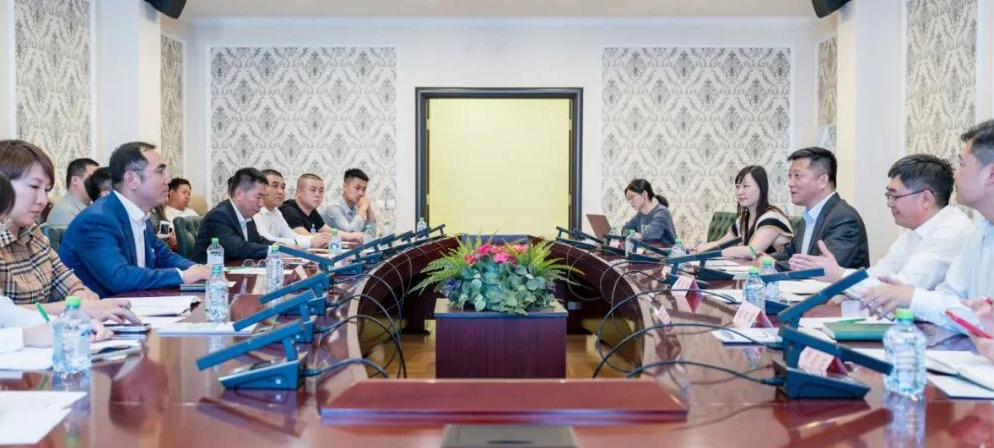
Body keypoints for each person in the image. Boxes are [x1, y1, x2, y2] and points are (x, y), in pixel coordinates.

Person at [857, 120, 994, 331]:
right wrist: (910, 297)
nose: (956, 174)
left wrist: (912, 297)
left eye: (962, 164)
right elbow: (948, 298)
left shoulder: (956, 229)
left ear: (991, 174)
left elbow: (984, 321)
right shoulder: (981, 230)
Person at [789, 154, 972, 298]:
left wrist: (840, 275)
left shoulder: (951, 232)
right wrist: (842, 281)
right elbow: (879, 275)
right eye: (888, 195)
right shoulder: (913, 232)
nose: (889, 203)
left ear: (925, 199)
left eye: (895, 196)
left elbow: (900, 291)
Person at [0, 171, 130, 353]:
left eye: (46, 190)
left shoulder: (33, 233)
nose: (43, 200)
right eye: (34, 187)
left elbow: (6, 313)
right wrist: (27, 336)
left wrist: (68, 322)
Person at [59, 142, 211, 297]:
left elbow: (164, 256)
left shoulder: (139, 215)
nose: (168, 180)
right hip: (100, 309)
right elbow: (120, 278)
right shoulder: (96, 220)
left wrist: (200, 270)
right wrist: (182, 276)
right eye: (160, 172)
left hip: (136, 302)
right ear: (131, 180)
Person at [765, 147, 870, 271]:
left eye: (797, 176)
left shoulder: (844, 218)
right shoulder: (809, 216)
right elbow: (790, 255)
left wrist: (771, 264)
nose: (790, 183)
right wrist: (763, 259)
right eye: (790, 176)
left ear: (823, 181)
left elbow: (820, 268)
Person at [694, 166, 792, 258]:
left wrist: (719, 252)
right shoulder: (744, 218)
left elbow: (753, 251)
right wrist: (700, 248)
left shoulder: (772, 217)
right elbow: (721, 243)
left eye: (745, 186)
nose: (740, 192)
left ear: (761, 188)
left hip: (778, 270)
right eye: (737, 187)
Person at [192, 168, 274, 263]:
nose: (261, 204)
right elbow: (238, 249)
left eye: (264, 198)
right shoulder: (218, 216)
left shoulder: (247, 217)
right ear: (239, 194)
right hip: (211, 271)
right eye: (258, 197)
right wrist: (272, 251)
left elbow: (258, 241)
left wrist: (281, 247)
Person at [255, 169, 330, 249]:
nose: (280, 191)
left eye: (283, 187)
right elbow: (267, 240)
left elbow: (291, 236)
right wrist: (310, 242)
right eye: (275, 186)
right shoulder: (254, 212)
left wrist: (320, 238)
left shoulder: (276, 212)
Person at [280, 173, 362, 242]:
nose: (318, 194)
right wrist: (335, 237)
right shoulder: (288, 210)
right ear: (298, 192)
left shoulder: (312, 211)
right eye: (313, 190)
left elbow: (329, 231)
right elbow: (305, 238)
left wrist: (351, 236)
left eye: (321, 191)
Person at [620, 179, 676, 245]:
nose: (630, 202)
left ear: (644, 194)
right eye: (629, 199)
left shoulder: (662, 212)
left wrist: (636, 235)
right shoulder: (639, 215)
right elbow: (625, 229)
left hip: (667, 251)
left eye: (632, 197)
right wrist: (633, 234)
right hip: (648, 251)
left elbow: (652, 233)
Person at [46, 158, 98, 227]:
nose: (97, 183)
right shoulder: (64, 212)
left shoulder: (92, 208)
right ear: (75, 180)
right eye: (93, 178)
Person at [324, 168, 376, 233]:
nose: (361, 193)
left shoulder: (356, 210)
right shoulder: (333, 209)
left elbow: (370, 235)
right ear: (344, 187)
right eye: (357, 188)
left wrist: (369, 210)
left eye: (364, 189)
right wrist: (362, 209)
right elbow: (351, 233)